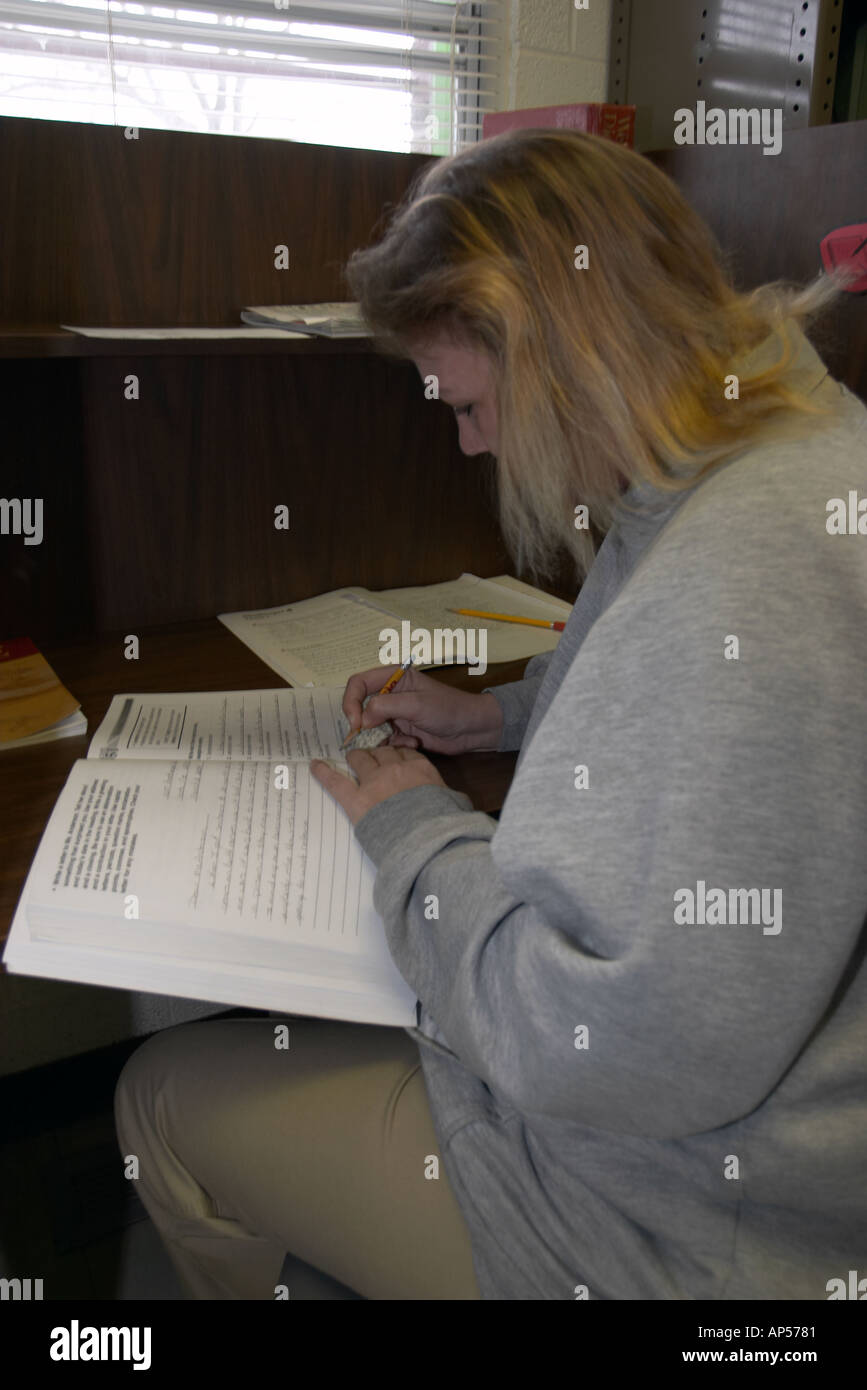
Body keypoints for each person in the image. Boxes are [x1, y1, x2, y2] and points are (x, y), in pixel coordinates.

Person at [114, 129, 867, 1301]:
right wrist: (503, 719)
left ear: (569, 355)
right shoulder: (773, 445)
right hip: (744, 1171)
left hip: (667, 1237)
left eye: (466, 400)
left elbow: (615, 1047)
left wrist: (415, 838)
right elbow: (686, 702)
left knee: (159, 1092)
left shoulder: (751, 562)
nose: (467, 440)